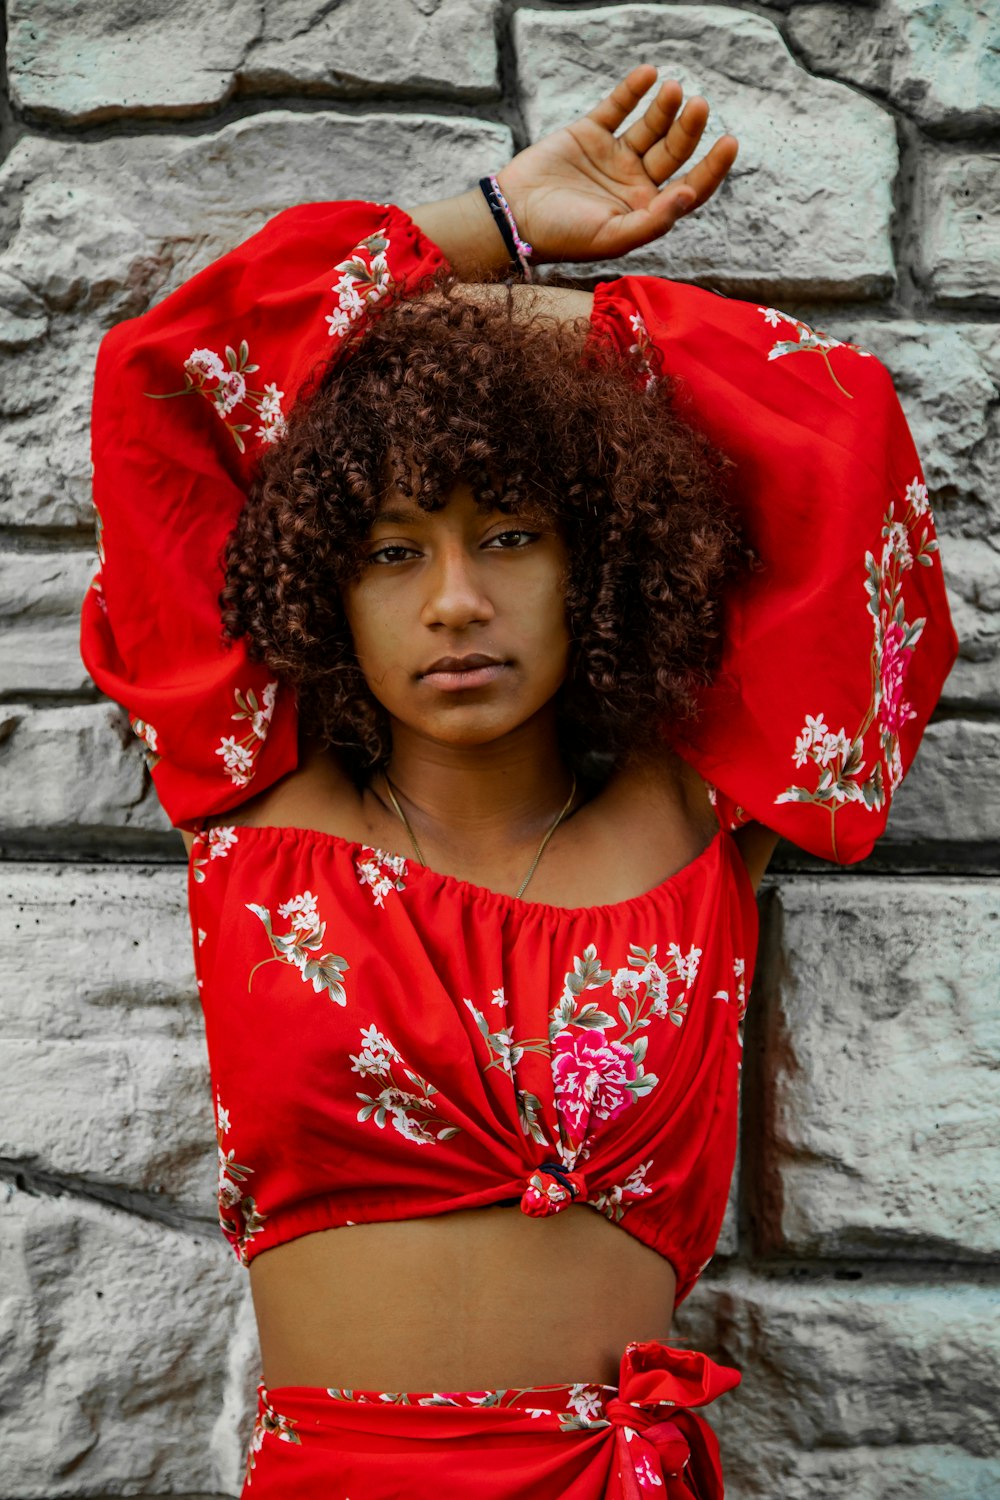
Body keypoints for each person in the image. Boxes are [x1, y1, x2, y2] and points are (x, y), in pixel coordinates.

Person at [80, 63, 957, 1500]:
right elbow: (163, 379)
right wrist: (490, 228)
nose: (453, 604)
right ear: (321, 588)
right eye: (390, 547)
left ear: (594, 560)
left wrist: (577, 327)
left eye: (511, 536)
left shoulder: (700, 820)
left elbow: (844, 436)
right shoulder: (249, 807)